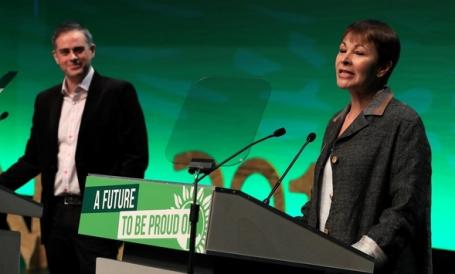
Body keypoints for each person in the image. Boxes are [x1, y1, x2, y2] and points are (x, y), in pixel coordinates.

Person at [0, 22, 149, 274]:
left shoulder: (118, 92)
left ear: (92, 50)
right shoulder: (45, 100)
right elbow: (33, 159)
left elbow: (136, 156)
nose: (73, 57)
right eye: (65, 52)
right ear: (55, 57)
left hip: (96, 213)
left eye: (79, 50)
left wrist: (110, 206)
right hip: (55, 214)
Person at [299, 20, 432, 274]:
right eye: (342, 50)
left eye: (359, 53)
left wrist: (357, 258)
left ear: (383, 67)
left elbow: (406, 208)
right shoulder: (335, 122)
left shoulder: (403, 122)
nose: (345, 59)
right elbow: (320, 203)